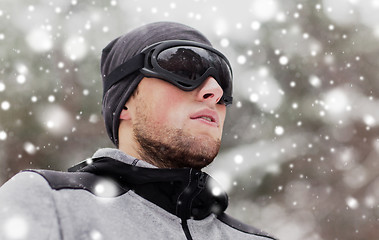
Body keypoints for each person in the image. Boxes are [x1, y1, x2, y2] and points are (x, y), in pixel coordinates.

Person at [0, 22, 276, 240]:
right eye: (185, 67)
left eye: (223, 81)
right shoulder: (48, 201)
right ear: (124, 104)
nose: (214, 91)